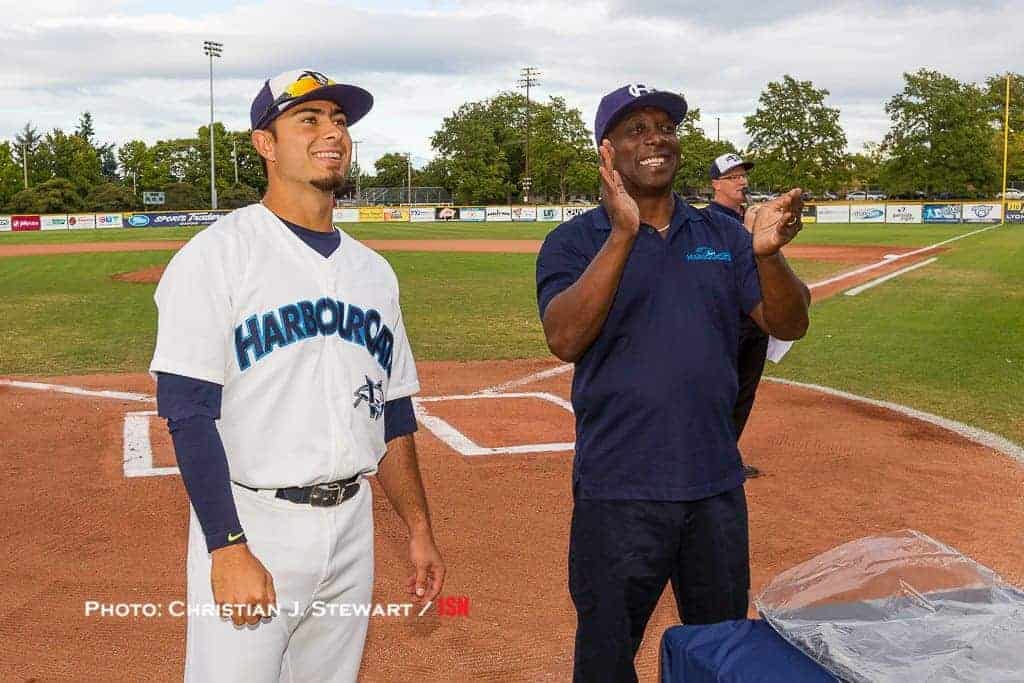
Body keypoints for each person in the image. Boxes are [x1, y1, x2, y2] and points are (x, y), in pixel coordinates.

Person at [150, 69, 445, 682]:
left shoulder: (374, 273)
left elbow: (391, 414)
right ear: (266, 143)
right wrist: (227, 545)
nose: (331, 132)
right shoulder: (217, 255)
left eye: (338, 120)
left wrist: (418, 528)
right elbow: (187, 411)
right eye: (307, 119)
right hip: (257, 522)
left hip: (353, 524)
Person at [535, 83, 810, 682]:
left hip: (713, 488)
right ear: (607, 153)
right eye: (636, 130)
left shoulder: (723, 236)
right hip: (619, 489)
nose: (656, 139)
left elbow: (790, 321)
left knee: (720, 653)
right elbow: (564, 337)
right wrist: (622, 233)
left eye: (665, 128)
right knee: (606, 656)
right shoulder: (573, 241)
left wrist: (767, 254)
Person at [705, 152, 768, 477]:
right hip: (727, 323)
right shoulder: (708, 221)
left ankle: (725, 458)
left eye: (743, 175)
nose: (742, 182)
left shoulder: (748, 217)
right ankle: (707, 458)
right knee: (719, 392)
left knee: (745, 391)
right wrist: (748, 231)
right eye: (733, 177)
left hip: (755, 320)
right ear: (716, 184)